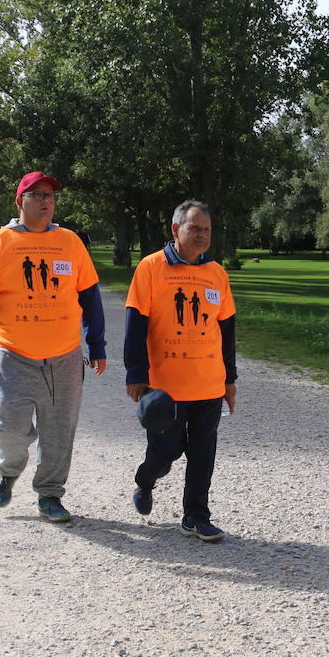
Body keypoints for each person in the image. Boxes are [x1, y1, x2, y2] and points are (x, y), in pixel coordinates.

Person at [0, 171, 107, 523]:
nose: (46, 201)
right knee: (10, 428)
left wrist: (97, 344)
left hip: (65, 358)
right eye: (38, 194)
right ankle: (9, 471)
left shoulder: (70, 242)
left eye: (51, 196)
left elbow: (90, 297)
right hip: (13, 357)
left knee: (59, 432)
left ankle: (50, 495)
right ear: (20, 200)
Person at [124, 200, 236, 541]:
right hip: (165, 387)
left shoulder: (216, 273)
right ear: (176, 229)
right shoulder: (151, 268)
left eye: (207, 230)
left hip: (208, 384)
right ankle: (146, 480)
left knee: (203, 453)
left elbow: (227, 331)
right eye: (194, 228)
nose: (202, 235)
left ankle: (196, 516)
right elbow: (135, 325)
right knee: (166, 453)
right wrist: (135, 374)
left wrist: (229, 380)